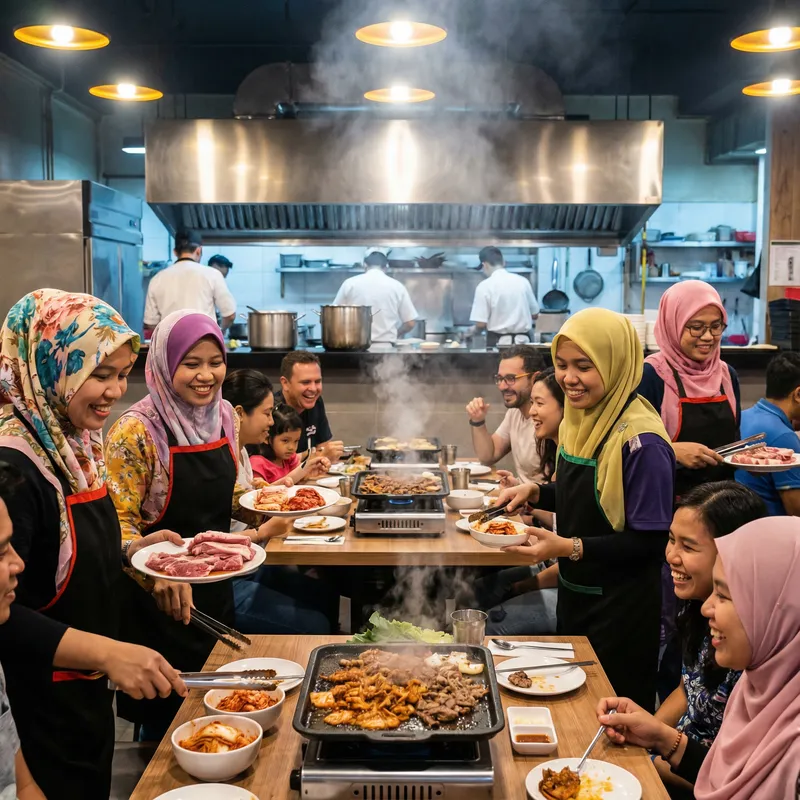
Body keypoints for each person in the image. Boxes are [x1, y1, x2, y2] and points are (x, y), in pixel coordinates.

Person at [0, 290, 187, 798]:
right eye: (99, 374)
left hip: (86, 688)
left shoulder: (73, 441)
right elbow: (3, 618)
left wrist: (138, 554)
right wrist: (107, 654)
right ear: (53, 363)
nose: (115, 391)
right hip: (38, 703)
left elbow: (75, 549)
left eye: (122, 374)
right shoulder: (12, 467)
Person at [105, 311, 289, 739]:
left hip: (215, 583)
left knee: (219, 715)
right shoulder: (135, 431)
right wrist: (156, 576)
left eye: (214, 362)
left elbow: (222, 494)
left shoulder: (224, 415)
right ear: (165, 365)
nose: (206, 376)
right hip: (155, 602)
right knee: (166, 726)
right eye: (191, 364)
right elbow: (117, 526)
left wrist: (263, 507)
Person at [497, 308, 675, 711]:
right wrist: (536, 493)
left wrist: (567, 548)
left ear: (615, 364)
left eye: (584, 366)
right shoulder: (583, 417)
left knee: (614, 727)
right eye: (561, 365)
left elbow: (649, 542)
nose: (568, 379)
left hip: (623, 611)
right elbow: (585, 492)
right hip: (577, 596)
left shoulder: (642, 442)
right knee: (571, 712)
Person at [596, 518, 800, 800]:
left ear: (781, 609)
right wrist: (658, 737)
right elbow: (723, 777)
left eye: (725, 595)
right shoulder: (756, 684)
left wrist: (650, 760)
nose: (706, 607)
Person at [655, 482, 766, 797]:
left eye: (688, 547)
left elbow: (735, 782)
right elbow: (685, 688)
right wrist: (646, 734)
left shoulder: (754, 645)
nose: (672, 556)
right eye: (671, 540)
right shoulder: (697, 606)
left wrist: (656, 755)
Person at [220, 371, 339, 636]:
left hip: (251, 562)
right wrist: (263, 532)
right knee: (316, 623)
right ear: (239, 414)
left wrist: (301, 476)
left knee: (326, 592)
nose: (271, 421)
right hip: (227, 578)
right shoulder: (219, 459)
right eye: (266, 413)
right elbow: (211, 535)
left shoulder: (239, 450)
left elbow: (255, 498)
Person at [458, 368, 564, 635]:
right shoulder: (558, 451)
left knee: (487, 625)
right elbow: (560, 520)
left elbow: (575, 557)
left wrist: (522, 588)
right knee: (468, 596)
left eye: (539, 404)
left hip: (568, 586)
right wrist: (527, 496)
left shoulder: (576, 460)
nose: (531, 413)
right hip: (552, 566)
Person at [639, 281, 740, 498]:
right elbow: (627, 446)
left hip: (722, 502)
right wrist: (671, 451)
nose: (708, 337)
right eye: (696, 327)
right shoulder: (651, 376)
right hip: (667, 502)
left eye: (716, 326)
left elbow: (733, 439)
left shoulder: (726, 375)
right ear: (673, 324)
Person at [465, 345, 545, 483]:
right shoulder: (514, 413)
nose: (502, 386)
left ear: (535, 378)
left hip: (540, 502)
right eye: (500, 378)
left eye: (510, 378)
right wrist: (478, 421)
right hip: (522, 499)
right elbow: (488, 456)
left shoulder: (548, 419)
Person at [736, 351, 800, 515]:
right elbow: (796, 510)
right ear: (798, 394)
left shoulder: (742, 416)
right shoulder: (783, 436)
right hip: (772, 531)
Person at [143, 229, 237, 336]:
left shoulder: (157, 279)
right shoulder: (212, 275)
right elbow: (230, 315)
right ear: (198, 250)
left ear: (175, 252)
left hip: (172, 347)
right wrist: (220, 331)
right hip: (204, 343)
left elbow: (150, 323)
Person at [333, 248, 418, 343]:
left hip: (355, 346)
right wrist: (396, 334)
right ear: (385, 267)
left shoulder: (349, 284)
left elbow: (334, 316)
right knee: (386, 359)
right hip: (386, 348)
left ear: (364, 265)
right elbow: (410, 323)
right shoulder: (397, 286)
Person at [274, 351, 344, 462]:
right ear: (285, 383)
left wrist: (328, 453)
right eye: (306, 382)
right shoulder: (273, 411)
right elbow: (274, 468)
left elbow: (323, 447)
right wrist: (319, 456)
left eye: (317, 381)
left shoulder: (316, 402)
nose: (313, 389)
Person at [469, 246, 540, 348]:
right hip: (524, 345)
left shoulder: (484, 286)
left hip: (499, 346)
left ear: (485, 265)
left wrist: (472, 331)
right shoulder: (523, 282)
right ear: (504, 262)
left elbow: (481, 324)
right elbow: (535, 315)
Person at [250, 404, 331, 484]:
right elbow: (259, 492)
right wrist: (305, 468)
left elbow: (299, 481)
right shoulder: (258, 463)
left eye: (296, 441)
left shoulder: (290, 459)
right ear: (267, 438)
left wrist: (311, 471)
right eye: (285, 440)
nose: (292, 447)